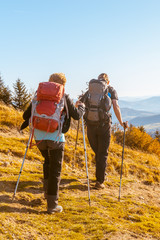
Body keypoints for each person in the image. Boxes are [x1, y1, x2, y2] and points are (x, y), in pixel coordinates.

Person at [21, 73, 85, 213]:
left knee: (47, 161)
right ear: (62, 84)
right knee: (56, 169)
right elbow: (76, 115)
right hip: (56, 138)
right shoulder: (63, 95)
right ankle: (52, 205)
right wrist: (81, 107)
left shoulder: (39, 95)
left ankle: (46, 192)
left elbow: (25, 116)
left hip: (38, 138)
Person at [80, 73, 128, 189]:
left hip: (90, 125)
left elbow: (80, 103)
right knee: (103, 153)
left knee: (98, 152)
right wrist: (121, 123)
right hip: (104, 126)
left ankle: (100, 174)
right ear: (108, 82)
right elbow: (116, 106)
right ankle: (99, 181)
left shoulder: (90, 90)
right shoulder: (110, 90)